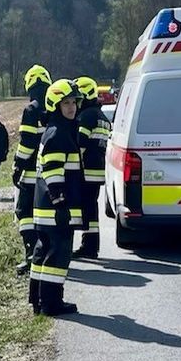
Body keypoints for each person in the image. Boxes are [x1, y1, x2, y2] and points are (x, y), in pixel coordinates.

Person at [30, 79, 85, 316]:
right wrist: (61, 203)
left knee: (43, 252)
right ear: (56, 105)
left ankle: (38, 299)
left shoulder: (54, 130)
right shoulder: (59, 134)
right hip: (55, 210)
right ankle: (51, 303)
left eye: (74, 102)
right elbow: (53, 173)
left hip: (44, 208)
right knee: (58, 255)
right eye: (66, 103)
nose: (72, 107)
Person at [12, 65, 53, 275]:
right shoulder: (55, 106)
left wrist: (17, 165)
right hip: (51, 171)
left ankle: (31, 255)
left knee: (24, 212)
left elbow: (27, 143)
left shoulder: (31, 110)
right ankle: (47, 253)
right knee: (45, 215)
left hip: (31, 171)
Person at [73, 76, 111, 259]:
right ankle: (90, 246)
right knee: (91, 208)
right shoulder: (102, 116)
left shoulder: (87, 116)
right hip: (97, 171)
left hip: (85, 170)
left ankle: (88, 247)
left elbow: (80, 144)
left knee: (85, 209)